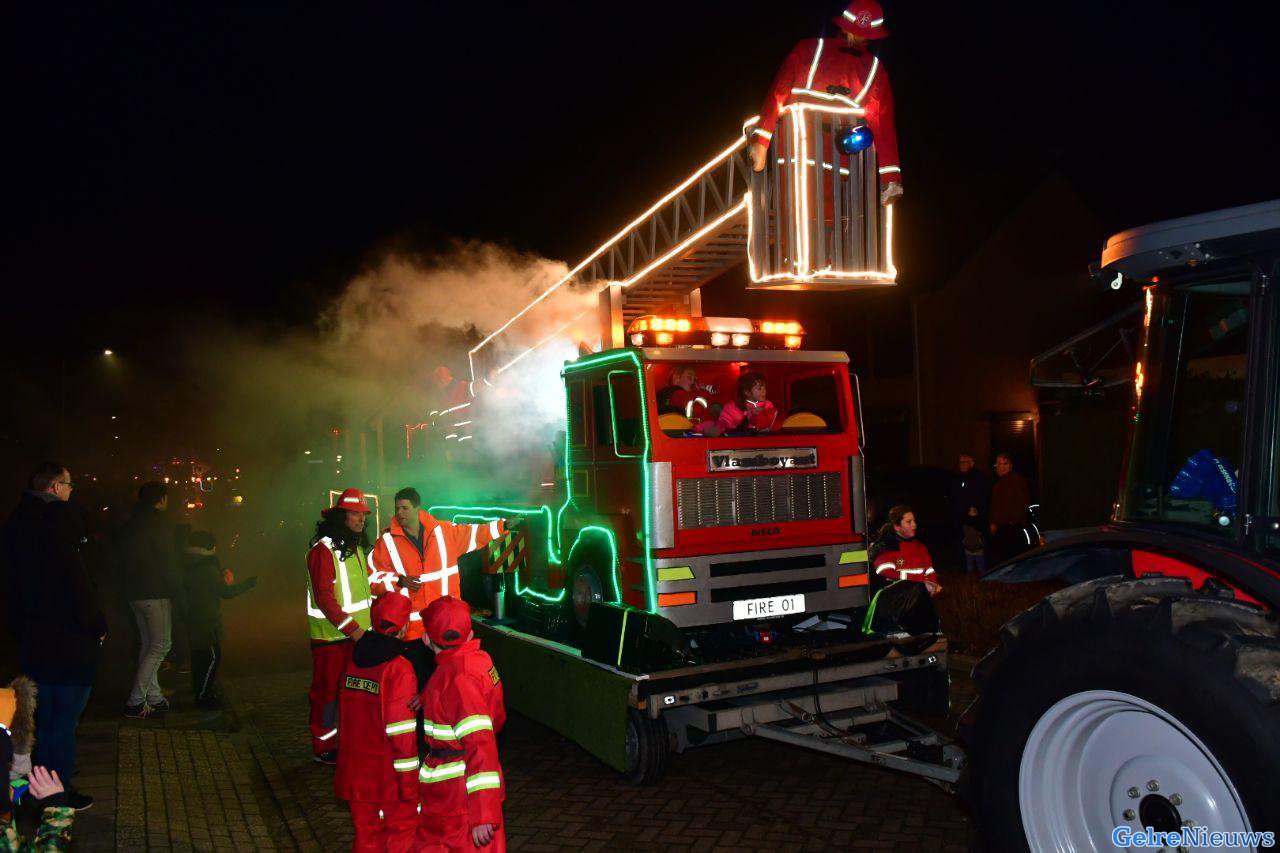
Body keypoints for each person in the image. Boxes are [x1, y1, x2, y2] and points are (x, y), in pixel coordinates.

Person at [9, 464, 104, 811]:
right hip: (68, 644)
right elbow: (80, 596)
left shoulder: (20, 525)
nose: (71, 490)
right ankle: (57, 791)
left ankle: (41, 780)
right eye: (68, 484)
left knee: (47, 718)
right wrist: (98, 627)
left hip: (36, 638)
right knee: (62, 720)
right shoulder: (61, 538)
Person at [749, 0, 902, 207]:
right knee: (811, 224)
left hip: (824, 157)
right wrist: (761, 141)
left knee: (814, 224)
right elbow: (778, 92)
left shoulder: (813, 49)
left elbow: (883, 123)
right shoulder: (813, 50)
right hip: (810, 154)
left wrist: (890, 176)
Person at [367, 488, 505, 688]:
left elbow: (474, 533)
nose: (400, 513)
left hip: (444, 628)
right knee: (420, 685)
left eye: (405, 508)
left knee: (447, 686)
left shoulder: (443, 532)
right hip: (412, 634)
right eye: (397, 508)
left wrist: (503, 526)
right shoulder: (386, 542)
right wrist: (399, 581)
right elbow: (372, 578)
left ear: (417, 509)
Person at [416, 596, 506, 852]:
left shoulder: (456, 680)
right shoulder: (479, 661)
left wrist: (482, 814)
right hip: (469, 795)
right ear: (470, 636)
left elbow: (480, 743)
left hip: (458, 800)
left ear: (425, 639)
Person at [335, 595, 420, 853]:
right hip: (387, 777)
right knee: (401, 834)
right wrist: (409, 784)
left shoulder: (354, 660)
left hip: (355, 772)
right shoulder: (399, 669)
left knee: (366, 837)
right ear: (405, 627)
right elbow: (401, 734)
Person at [306, 488, 375, 765]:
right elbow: (324, 598)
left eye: (363, 514)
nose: (361, 519)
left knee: (351, 694)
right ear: (341, 517)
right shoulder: (322, 551)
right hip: (332, 639)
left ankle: (347, 742)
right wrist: (354, 629)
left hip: (355, 637)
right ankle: (324, 747)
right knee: (327, 695)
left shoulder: (355, 548)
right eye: (355, 514)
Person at [119, 481, 181, 719]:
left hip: (134, 594)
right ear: (161, 499)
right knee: (160, 645)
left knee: (148, 646)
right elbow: (168, 562)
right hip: (156, 593)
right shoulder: (160, 525)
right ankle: (135, 701)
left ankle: (154, 697)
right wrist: (178, 592)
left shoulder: (130, 525)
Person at [182, 531, 256, 708]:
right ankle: (203, 696)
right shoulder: (207, 567)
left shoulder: (189, 564)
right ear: (210, 547)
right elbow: (225, 592)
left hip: (192, 617)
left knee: (199, 657)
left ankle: (200, 690)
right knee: (212, 657)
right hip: (206, 620)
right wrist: (247, 584)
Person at [869, 505, 941, 596]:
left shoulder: (920, 547)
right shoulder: (886, 546)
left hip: (920, 598)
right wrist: (920, 582)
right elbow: (886, 573)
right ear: (897, 527)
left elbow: (929, 571)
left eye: (914, 521)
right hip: (897, 600)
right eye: (909, 522)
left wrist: (934, 586)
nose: (914, 524)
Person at [697, 371, 779, 436]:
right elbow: (723, 424)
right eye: (759, 388)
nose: (764, 390)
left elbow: (771, 426)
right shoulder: (731, 407)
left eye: (764, 387)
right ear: (747, 392)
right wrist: (716, 429)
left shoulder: (768, 405)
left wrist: (760, 416)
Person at [989, 453, 1033, 565]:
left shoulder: (1017, 481)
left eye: (1001, 463)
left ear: (1008, 465)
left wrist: (1014, 521)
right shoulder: (998, 484)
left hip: (1012, 526)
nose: (997, 466)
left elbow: (1021, 503)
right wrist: (993, 522)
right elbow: (995, 505)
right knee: (1003, 556)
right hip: (1002, 526)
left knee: (1012, 556)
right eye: (997, 463)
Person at [950, 453, 990, 573]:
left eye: (964, 461)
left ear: (972, 463)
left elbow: (980, 495)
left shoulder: (977, 477)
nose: (961, 464)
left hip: (973, 519)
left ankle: (982, 571)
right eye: (960, 462)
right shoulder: (960, 477)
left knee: (976, 545)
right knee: (964, 545)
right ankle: (967, 571)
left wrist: (975, 509)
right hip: (961, 518)